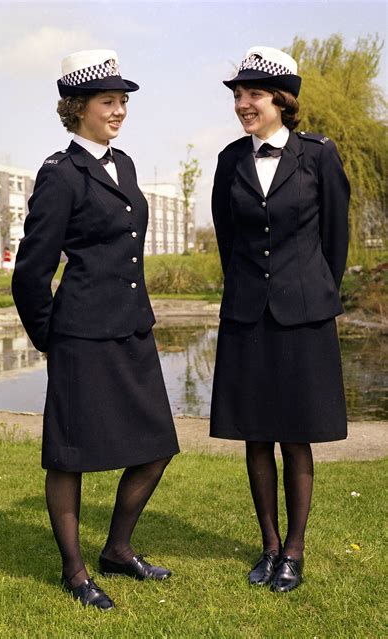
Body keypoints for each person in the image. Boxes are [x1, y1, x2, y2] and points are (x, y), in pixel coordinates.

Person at [12, 49, 179, 611]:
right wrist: (50, 337)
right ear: (78, 107)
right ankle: (75, 570)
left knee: (158, 445)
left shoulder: (124, 164)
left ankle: (117, 549)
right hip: (81, 333)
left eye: (124, 100)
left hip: (132, 328)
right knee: (70, 454)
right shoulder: (59, 174)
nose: (120, 110)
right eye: (109, 100)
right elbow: (32, 270)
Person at [210, 46, 350, 593]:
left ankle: (294, 550)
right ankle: (268, 545)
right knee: (255, 435)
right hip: (247, 314)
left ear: (281, 101)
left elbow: (334, 242)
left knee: (296, 436)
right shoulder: (228, 161)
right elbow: (229, 240)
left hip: (304, 315)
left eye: (254, 94)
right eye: (238, 95)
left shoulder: (318, 155)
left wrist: (314, 293)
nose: (244, 104)